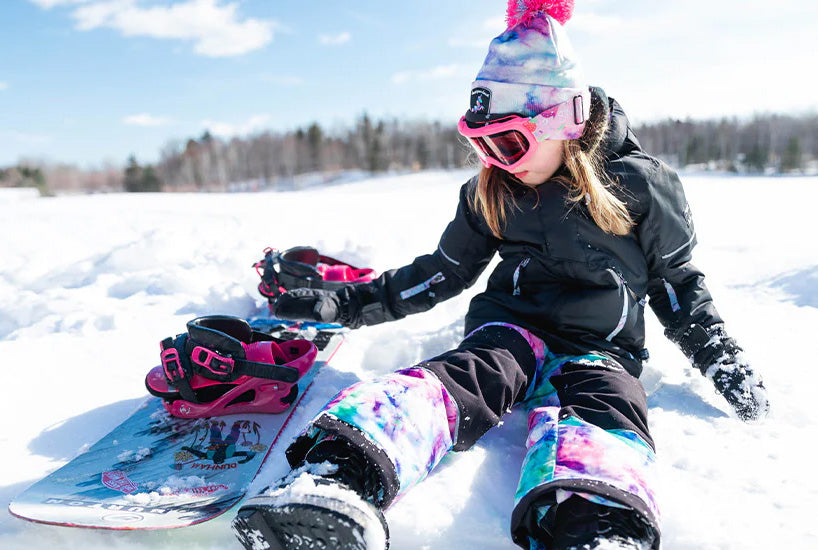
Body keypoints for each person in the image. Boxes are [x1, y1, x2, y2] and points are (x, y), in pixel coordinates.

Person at [231, 2, 769, 549]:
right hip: (511, 329)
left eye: (509, 142)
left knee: (607, 406)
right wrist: (345, 303)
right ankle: (336, 476)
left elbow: (676, 285)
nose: (497, 161)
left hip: (601, 346)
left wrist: (721, 360)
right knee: (466, 374)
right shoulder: (491, 189)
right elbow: (442, 272)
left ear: (565, 119)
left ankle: (598, 528)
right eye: (482, 144)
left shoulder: (641, 185)